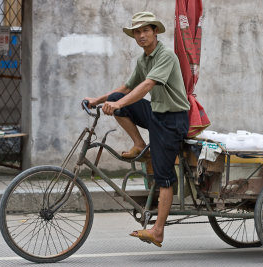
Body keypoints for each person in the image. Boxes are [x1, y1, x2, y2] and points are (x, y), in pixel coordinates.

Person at [84, 11, 190, 247]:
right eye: (137, 32)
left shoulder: (166, 56)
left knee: (164, 178)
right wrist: (100, 100)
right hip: (157, 113)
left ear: (154, 31)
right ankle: (139, 143)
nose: (141, 35)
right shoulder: (144, 59)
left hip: (172, 121)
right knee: (116, 97)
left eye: (145, 30)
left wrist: (119, 103)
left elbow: (147, 85)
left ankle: (158, 232)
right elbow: (127, 86)